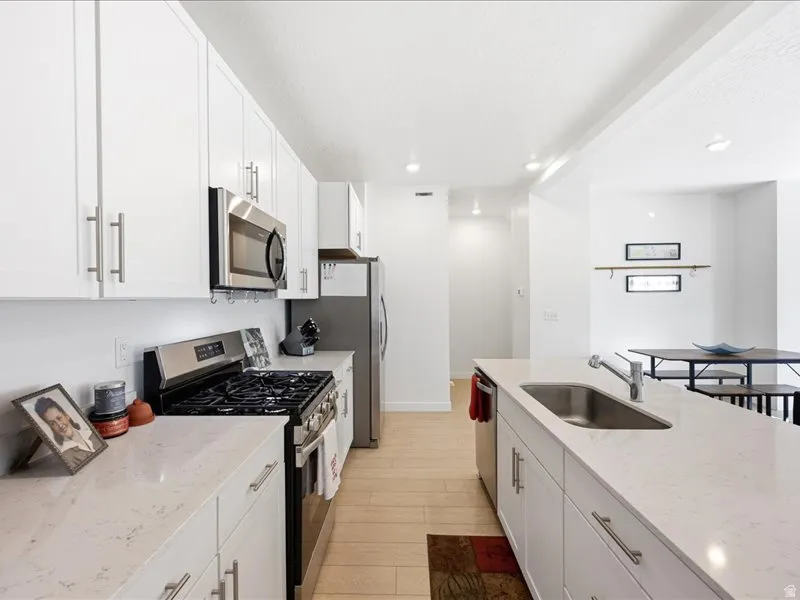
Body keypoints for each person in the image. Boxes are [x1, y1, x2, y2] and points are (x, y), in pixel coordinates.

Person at [34, 396, 102, 470]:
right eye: (53, 423)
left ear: (67, 415)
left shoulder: (92, 434)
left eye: (59, 418)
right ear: (51, 428)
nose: (60, 425)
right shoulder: (67, 456)